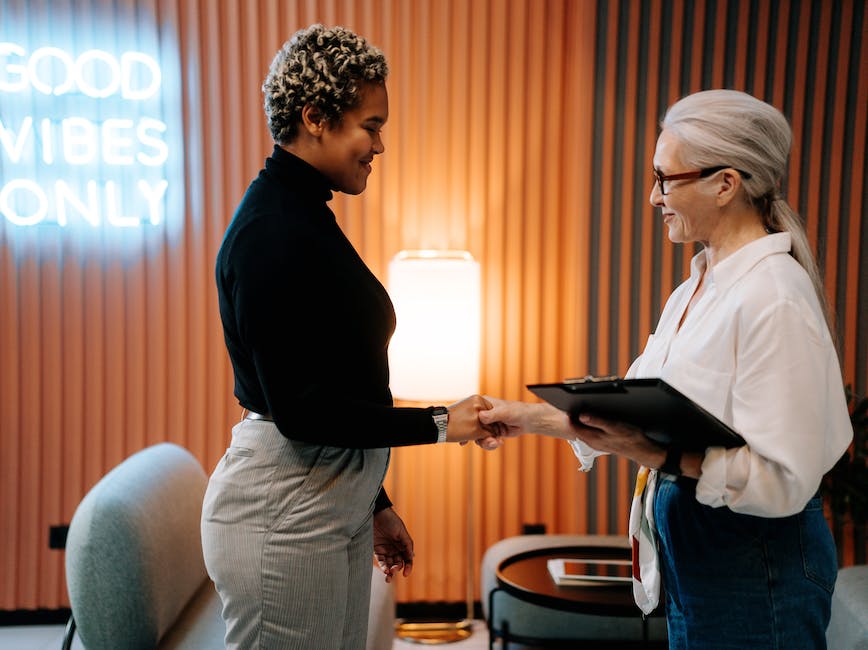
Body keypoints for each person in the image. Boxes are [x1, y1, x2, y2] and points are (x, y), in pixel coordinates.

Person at [479, 89, 853, 648]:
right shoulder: (696, 286)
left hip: (754, 573)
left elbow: (783, 479)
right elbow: (635, 410)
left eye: (665, 179)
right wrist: (524, 418)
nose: (654, 197)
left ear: (725, 184)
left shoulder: (774, 297)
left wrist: (657, 455)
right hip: (699, 565)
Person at [201, 24, 496, 650]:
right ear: (314, 117)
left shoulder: (304, 215)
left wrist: (374, 500)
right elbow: (304, 410)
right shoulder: (270, 232)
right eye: (371, 125)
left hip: (327, 493)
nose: (380, 145)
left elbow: (340, 381)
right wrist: (443, 422)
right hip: (283, 507)